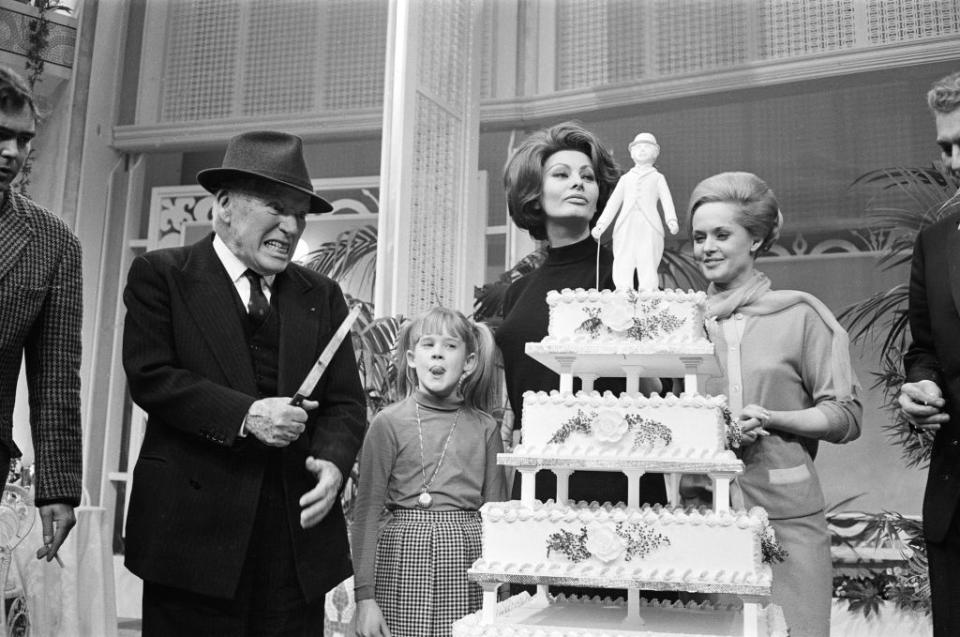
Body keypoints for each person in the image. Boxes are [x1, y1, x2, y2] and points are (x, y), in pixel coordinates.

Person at [122, 130, 367, 635]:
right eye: (277, 206)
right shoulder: (162, 275)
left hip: (293, 548)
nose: (291, 225)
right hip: (189, 543)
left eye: (300, 213)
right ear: (225, 205)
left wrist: (334, 465)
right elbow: (152, 378)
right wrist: (246, 415)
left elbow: (344, 402)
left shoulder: (322, 294)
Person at [689, 171, 862, 637]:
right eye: (699, 236)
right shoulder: (683, 327)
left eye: (722, 234)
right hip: (706, 517)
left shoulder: (800, 316)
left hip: (787, 515)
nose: (707, 246)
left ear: (757, 238)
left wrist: (773, 418)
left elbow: (845, 416)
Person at [495, 121, 665, 506]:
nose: (578, 183)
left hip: (618, 471)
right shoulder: (518, 292)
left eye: (587, 177)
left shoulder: (625, 274)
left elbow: (661, 384)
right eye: (562, 174)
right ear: (533, 195)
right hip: (538, 472)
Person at [351, 307, 506, 637]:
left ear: (469, 362)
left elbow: (499, 519)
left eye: (450, 345)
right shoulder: (388, 424)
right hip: (400, 564)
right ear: (411, 358)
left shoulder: (485, 428)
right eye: (427, 344)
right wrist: (365, 599)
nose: (438, 352)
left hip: (465, 562)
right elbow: (365, 514)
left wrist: (502, 599)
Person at [0, 65, 81, 565]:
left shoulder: (53, 242)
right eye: (0, 136)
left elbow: (55, 376)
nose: (11, 151)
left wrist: (58, 485)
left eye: (23, 140)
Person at [898, 69, 960, 637]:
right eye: (946, 147)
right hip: (956, 508)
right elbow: (925, 351)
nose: (956, 162)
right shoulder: (936, 241)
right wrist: (919, 386)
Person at [591, 132, 679, 290]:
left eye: (647, 147)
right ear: (631, 152)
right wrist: (601, 224)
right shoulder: (626, 179)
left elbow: (667, 201)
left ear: (656, 152)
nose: (642, 150)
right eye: (638, 147)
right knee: (624, 256)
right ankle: (623, 289)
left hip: (649, 223)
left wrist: (671, 220)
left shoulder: (658, 178)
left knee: (648, 257)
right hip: (626, 223)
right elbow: (613, 203)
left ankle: (648, 290)